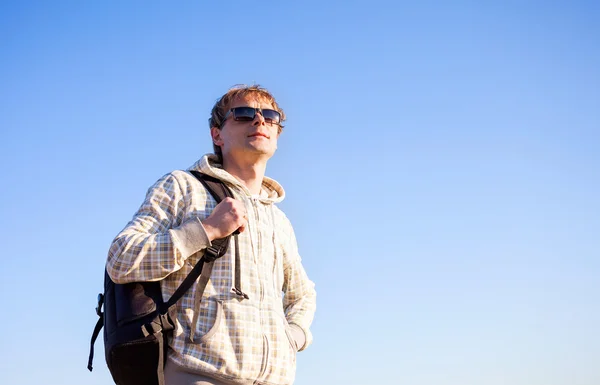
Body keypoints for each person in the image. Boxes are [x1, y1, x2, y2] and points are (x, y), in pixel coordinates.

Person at [106, 85, 317, 385]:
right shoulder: (181, 187)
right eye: (243, 114)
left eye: (270, 116)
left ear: (278, 135)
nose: (259, 121)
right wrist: (205, 231)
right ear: (216, 135)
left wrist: (292, 337)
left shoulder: (278, 220)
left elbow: (303, 294)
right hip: (199, 373)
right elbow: (122, 258)